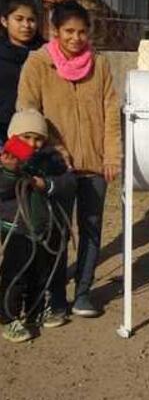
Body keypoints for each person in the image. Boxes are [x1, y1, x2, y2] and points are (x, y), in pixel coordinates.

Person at [17, 0, 122, 318]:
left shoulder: (100, 65)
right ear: (55, 31)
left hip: (94, 164)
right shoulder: (38, 63)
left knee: (91, 229)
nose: (76, 38)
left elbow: (110, 112)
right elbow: (27, 112)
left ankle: (84, 294)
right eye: (69, 31)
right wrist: (51, 148)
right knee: (57, 232)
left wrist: (113, 155)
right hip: (55, 168)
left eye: (81, 32)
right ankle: (56, 297)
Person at [0, 109, 76, 342]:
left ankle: (33, 311)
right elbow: (3, 190)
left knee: (40, 271)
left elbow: (68, 182)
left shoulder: (52, 158)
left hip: (45, 225)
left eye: (38, 138)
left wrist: (47, 184)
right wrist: (10, 172)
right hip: (16, 227)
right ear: (14, 136)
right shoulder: (7, 159)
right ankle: (8, 317)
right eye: (26, 137)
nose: (33, 143)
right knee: (15, 273)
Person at [0, 0, 44, 142]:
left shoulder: (46, 54)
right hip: (5, 133)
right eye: (19, 19)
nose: (26, 25)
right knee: (11, 164)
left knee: (35, 166)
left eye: (31, 20)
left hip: (38, 134)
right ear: (4, 21)